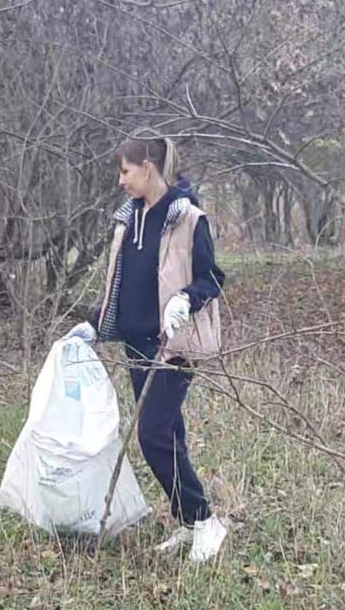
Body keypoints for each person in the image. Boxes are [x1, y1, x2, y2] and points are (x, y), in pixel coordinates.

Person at [66, 134, 230, 563]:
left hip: (174, 346)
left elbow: (211, 278)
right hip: (137, 344)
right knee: (169, 435)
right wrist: (94, 327)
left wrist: (184, 300)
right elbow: (122, 286)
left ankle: (206, 520)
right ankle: (190, 523)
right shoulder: (128, 219)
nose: (120, 181)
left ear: (148, 168)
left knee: (153, 433)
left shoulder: (189, 218)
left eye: (125, 171)